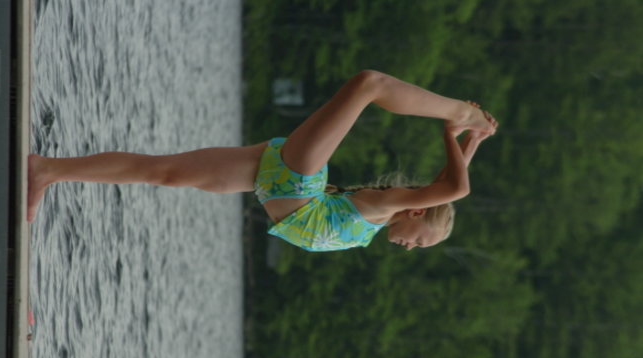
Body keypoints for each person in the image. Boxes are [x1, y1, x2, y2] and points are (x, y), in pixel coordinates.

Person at [27, 70, 497, 251]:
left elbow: (447, 181)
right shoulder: (388, 205)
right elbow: (455, 188)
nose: (413, 248)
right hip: (297, 179)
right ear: (416, 212)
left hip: (269, 181)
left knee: (163, 172)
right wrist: (452, 127)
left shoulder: (380, 220)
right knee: (368, 85)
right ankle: (457, 109)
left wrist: (471, 142)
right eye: (422, 241)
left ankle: (47, 170)